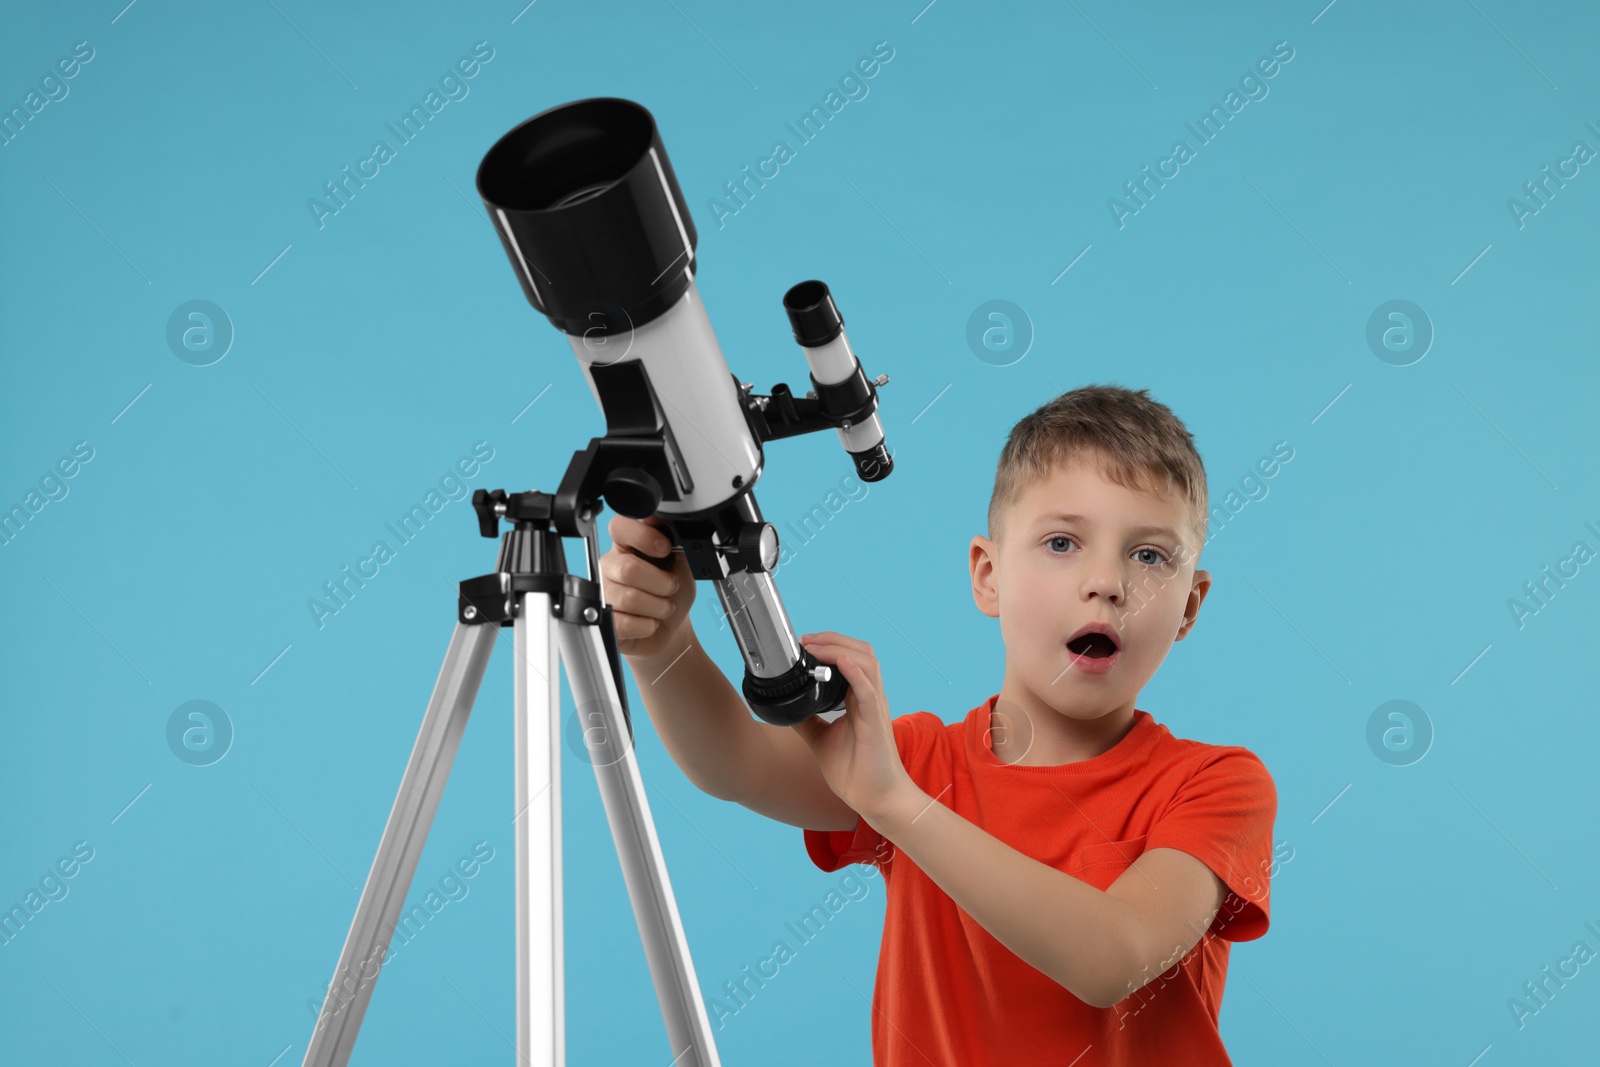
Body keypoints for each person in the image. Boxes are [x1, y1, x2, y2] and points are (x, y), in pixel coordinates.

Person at [599, 383, 1278, 1064]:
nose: (1107, 581)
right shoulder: (919, 760)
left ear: (1190, 606)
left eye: (1150, 555)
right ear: (987, 575)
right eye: (1063, 541)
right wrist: (662, 644)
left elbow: (1113, 957)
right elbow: (735, 762)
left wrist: (897, 803)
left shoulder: (1218, 785)